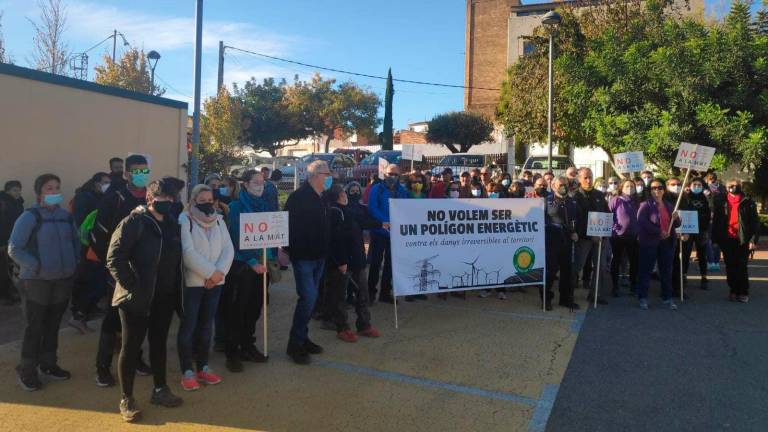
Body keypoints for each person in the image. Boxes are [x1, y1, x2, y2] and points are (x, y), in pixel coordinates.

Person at [107, 178, 185, 422]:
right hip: (136, 299)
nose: (170, 202)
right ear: (150, 199)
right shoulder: (134, 222)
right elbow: (114, 257)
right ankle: (127, 398)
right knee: (131, 348)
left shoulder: (172, 224)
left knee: (159, 343)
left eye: (173, 198)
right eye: (165, 197)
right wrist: (134, 287)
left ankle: (160, 389)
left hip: (164, 296)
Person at [9, 174, 80, 391]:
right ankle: (27, 369)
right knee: (35, 327)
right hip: (37, 282)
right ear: (39, 192)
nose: (54, 192)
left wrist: (74, 263)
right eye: (49, 188)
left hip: (62, 280)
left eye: (57, 188)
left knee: (52, 325)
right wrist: (36, 266)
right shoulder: (30, 217)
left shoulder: (65, 216)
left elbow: (76, 242)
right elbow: (15, 248)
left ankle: (48, 364)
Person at [93, 154, 153, 388]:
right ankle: (102, 367)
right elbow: (99, 235)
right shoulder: (114, 199)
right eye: (136, 171)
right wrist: (111, 267)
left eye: (145, 170)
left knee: (138, 318)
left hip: (144, 271)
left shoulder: (152, 197)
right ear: (126, 174)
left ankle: (136, 359)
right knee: (112, 320)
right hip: (117, 271)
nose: (142, 175)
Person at [176, 184, 234, 391]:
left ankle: (203, 367)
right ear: (193, 201)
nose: (207, 204)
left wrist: (218, 274)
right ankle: (187, 371)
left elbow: (228, 248)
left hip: (215, 282)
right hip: (194, 284)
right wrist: (211, 273)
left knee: (207, 326)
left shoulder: (219, 221)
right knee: (189, 326)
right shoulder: (185, 221)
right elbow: (188, 252)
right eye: (202, 201)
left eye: (210, 200)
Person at [222, 170, 277, 372]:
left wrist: (271, 256)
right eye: (256, 183)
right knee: (238, 309)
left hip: (262, 265)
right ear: (245, 184)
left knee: (255, 306)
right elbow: (236, 238)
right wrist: (252, 261)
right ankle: (232, 351)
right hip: (242, 266)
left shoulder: (264, 205)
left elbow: (270, 234)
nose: (260, 186)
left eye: (262, 183)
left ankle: (247, 344)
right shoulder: (237, 207)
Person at [284, 160, 333, 365]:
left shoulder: (321, 197)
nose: (329, 178)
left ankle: (303, 338)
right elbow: (289, 226)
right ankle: (295, 344)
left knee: (311, 301)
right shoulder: (298, 198)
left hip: (319, 255)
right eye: (326, 174)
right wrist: (288, 251)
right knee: (308, 299)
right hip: (303, 256)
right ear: (315, 175)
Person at [323, 184, 382, 342]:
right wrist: (341, 261)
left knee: (362, 294)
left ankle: (364, 325)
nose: (347, 195)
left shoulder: (351, 210)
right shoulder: (334, 212)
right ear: (337, 196)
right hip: (342, 261)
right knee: (339, 295)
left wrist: (381, 223)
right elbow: (334, 240)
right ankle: (342, 327)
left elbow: (364, 222)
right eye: (343, 193)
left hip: (357, 259)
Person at [69, 172, 111, 332]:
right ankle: (79, 314)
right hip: (90, 247)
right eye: (104, 182)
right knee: (92, 281)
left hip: (98, 246)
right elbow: (82, 223)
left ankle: (84, 311)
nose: (107, 185)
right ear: (95, 183)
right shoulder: (85, 198)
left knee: (97, 282)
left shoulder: (99, 197)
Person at [711, 178, 759, 303]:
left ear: (740, 186)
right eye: (730, 185)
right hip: (727, 239)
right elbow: (716, 221)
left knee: (741, 266)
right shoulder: (721, 201)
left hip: (743, 239)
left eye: (736, 185)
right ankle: (733, 290)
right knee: (730, 266)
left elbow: (755, 222)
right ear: (726, 187)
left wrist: (753, 240)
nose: (733, 187)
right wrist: (715, 239)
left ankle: (743, 291)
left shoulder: (748, 202)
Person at [367, 164, 408, 304]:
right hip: (379, 231)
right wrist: (385, 221)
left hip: (395, 233)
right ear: (384, 174)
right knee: (375, 263)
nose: (393, 177)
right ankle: (370, 292)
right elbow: (372, 208)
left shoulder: (402, 191)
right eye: (390, 174)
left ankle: (385, 292)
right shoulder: (376, 189)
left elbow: (405, 207)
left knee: (391, 264)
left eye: (396, 174)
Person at [636, 178, 680, 310]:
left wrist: (677, 218)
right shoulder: (645, 205)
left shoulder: (669, 205)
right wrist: (658, 232)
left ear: (664, 190)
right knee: (646, 270)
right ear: (650, 191)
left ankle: (667, 297)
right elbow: (642, 222)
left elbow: (677, 224)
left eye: (660, 187)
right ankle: (643, 297)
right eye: (654, 188)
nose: (657, 190)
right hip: (650, 242)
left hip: (667, 242)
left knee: (666, 271)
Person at [573, 167, 611, 305]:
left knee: (601, 266)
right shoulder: (575, 196)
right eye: (585, 178)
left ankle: (595, 294)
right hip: (584, 239)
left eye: (590, 177)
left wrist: (603, 233)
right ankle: (569, 293)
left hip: (600, 238)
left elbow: (606, 214)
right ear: (579, 179)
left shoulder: (599, 195)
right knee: (578, 265)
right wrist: (590, 235)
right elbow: (577, 220)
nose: (588, 180)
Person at [543, 176, 580, 310]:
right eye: (560, 185)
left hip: (568, 240)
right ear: (553, 186)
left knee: (567, 271)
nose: (563, 187)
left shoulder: (572, 201)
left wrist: (575, 232)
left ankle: (565, 298)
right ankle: (546, 299)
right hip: (552, 240)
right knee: (551, 270)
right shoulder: (547, 201)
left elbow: (576, 219)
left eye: (565, 184)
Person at [609, 179, 639, 297]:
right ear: (622, 187)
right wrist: (614, 227)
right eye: (627, 186)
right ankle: (615, 286)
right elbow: (609, 214)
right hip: (618, 237)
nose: (630, 188)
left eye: (632, 186)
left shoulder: (636, 201)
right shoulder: (615, 200)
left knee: (634, 262)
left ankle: (633, 285)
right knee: (616, 260)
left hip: (634, 237)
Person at [680, 178, 711, 290]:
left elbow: (711, 211)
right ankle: (683, 275)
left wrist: (709, 198)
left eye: (699, 185)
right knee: (685, 254)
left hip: (702, 230)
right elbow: (682, 209)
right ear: (690, 185)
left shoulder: (706, 198)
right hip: (688, 228)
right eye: (695, 184)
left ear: (703, 186)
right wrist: (685, 194)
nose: (697, 187)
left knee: (702, 255)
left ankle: (704, 277)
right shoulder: (686, 196)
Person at [0, 180, 24, 305]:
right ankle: (5, 295)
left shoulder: (19, 202)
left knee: (13, 268)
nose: (18, 192)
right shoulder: (3, 202)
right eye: (15, 190)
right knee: (4, 269)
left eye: (19, 189)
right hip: (4, 241)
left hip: (15, 240)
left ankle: (11, 292)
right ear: (8, 190)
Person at [705, 171, 726, 271]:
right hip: (707, 217)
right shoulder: (704, 188)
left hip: (719, 217)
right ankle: (710, 261)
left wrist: (717, 194)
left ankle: (716, 261)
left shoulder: (722, 188)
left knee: (716, 240)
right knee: (708, 239)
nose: (712, 181)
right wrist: (708, 194)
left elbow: (724, 201)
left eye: (713, 179)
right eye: (710, 179)